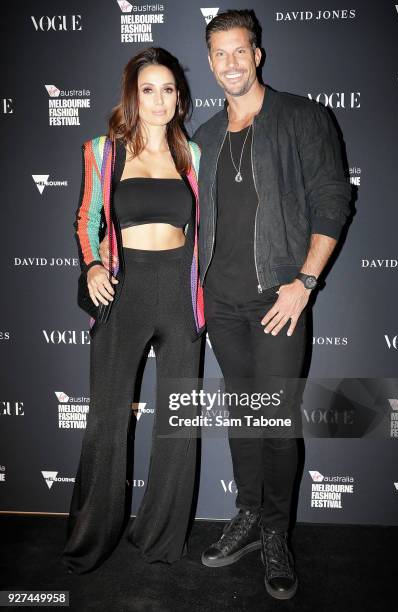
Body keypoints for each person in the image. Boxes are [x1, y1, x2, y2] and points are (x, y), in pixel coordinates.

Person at [191, 9, 351, 601]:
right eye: (219, 54)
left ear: (257, 54)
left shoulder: (302, 117)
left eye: (240, 51)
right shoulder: (204, 138)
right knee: (245, 418)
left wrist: (305, 281)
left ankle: (277, 531)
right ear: (210, 62)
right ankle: (250, 517)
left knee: (278, 424)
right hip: (223, 305)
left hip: (278, 298)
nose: (231, 63)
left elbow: (333, 199)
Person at [60, 47, 205, 575]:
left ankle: (161, 537)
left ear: (180, 98)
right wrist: (93, 266)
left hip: (181, 291)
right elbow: (86, 217)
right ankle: (90, 540)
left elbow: (205, 230)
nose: (160, 99)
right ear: (133, 95)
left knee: (178, 422)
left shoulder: (194, 154)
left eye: (169, 89)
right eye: (149, 89)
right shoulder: (103, 151)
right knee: (105, 420)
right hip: (125, 289)